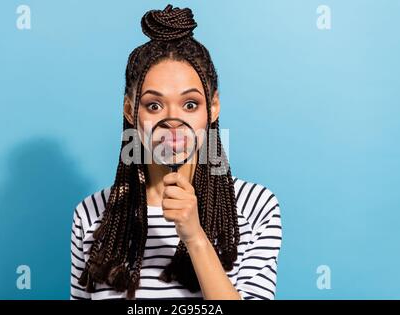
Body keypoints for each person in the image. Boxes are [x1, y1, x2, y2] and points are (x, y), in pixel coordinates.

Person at [70, 4, 282, 300]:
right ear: (131, 111)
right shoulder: (92, 215)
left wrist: (194, 236)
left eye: (190, 104)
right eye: (154, 105)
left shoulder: (255, 207)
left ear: (214, 107)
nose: (172, 121)